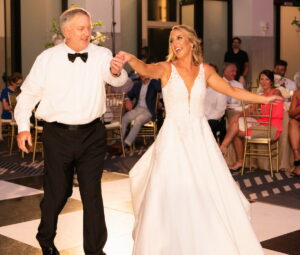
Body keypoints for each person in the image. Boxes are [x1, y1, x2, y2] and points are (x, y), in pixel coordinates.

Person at [114, 25, 281, 254]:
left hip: (200, 137)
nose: (175, 43)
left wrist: (262, 100)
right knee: (171, 189)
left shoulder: (206, 71)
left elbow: (233, 91)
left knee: (205, 188)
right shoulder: (166, 68)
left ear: (192, 42)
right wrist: (131, 59)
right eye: (172, 40)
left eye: (179, 38)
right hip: (173, 138)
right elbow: (145, 68)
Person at [14, 8, 127, 255]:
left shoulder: (101, 54)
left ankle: (95, 250)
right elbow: (28, 95)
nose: (88, 33)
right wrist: (23, 128)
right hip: (57, 135)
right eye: (81, 28)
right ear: (66, 31)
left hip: (93, 135)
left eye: (89, 28)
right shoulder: (47, 58)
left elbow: (116, 78)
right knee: (58, 192)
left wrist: (117, 70)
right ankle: (45, 237)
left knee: (92, 193)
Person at [220, 70, 284, 171]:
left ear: (271, 82)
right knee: (235, 120)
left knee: (235, 132)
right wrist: (239, 115)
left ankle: (227, 151)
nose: (263, 82)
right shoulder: (261, 96)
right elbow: (251, 109)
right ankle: (225, 148)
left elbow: (277, 93)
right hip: (261, 124)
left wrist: (274, 95)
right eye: (261, 79)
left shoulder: (276, 92)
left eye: (266, 79)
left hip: (272, 128)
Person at [121, 74, 161, 147]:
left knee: (138, 120)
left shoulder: (153, 83)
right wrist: (127, 100)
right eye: (140, 74)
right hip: (138, 109)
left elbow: (159, 88)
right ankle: (120, 141)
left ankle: (126, 143)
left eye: (144, 73)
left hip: (148, 111)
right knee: (124, 118)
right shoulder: (137, 85)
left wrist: (151, 77)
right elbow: (128, 95)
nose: (143, 75)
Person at [205, 64, 227, 143]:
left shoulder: (219, 90)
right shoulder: (198, 88)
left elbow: (220, 111)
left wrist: (205, 120)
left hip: (213, 120)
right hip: (197, 119)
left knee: (209, 125)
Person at [288, 89, 300, 176]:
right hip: (298, 120)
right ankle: (297, 156)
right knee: (292, 122)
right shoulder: (297, 93)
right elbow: (291, 113)